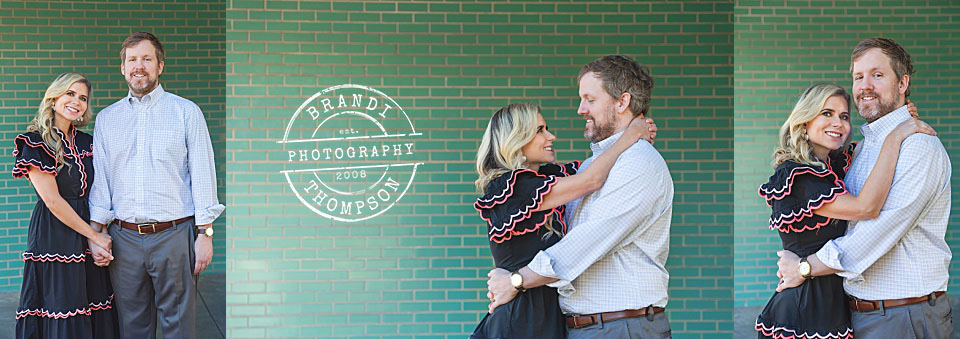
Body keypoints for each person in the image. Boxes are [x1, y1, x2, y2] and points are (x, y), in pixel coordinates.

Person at [775, 38, 953, 338]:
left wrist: (805, 267)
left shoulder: (918, 147)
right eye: (858, 77)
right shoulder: (857, 152)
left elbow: (876, 232)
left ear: (902, 83)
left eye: (877, 75)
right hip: (854, 313)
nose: (865, 86)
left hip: (903, 315)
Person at [486, 55, 674, 338]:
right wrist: (632, 135)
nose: (580, 109)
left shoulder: (637, 164)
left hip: (618, 327)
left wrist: (516, 280)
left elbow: (585, 243)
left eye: (590, 99)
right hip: (575, 324)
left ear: (622, 102)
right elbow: (589, 179)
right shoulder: (528, 183)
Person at [754, 83, 931, 339]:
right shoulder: (797, 176)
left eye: (844, 116)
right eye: (827, 113)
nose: (838, 123)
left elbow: (873, 151)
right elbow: (865, 208)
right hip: (803, 310)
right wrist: (897, 135)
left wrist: (899, 118)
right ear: (805, 119)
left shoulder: (833, 165)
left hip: (833, 307)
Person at [471, 103, 655, 338]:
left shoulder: (545, 179)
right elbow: (591, 180)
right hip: (521, 320)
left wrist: (633, 141)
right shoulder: (511, 187)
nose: (551, 136)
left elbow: (600, 169)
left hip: (547, 317)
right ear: (516, 139)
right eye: (539, 131)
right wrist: (630, 135)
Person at [87, 32, 224, 338]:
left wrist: (205, 234)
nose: (139, 66)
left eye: (147, 59)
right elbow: (102, 182)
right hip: (123, 240)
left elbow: (203, 174)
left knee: (179, 326)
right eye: (132, 59)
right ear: (123, 68)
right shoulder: (107, 119)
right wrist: (97, 233)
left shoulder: (186, 112)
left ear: (160, 66)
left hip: (174, 235)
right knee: (132, 327)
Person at [13, 73, 119, 338]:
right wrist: (94, 235)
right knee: (62, 306)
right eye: (69, 94)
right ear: (54, 98)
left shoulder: (87, 142)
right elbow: (52, 201)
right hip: (55, 234)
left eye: (83, 98)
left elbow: (100, 191)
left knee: (93, 301)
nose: (76, 102)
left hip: (89, 226)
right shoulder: (35, 142)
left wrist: (100, 234)